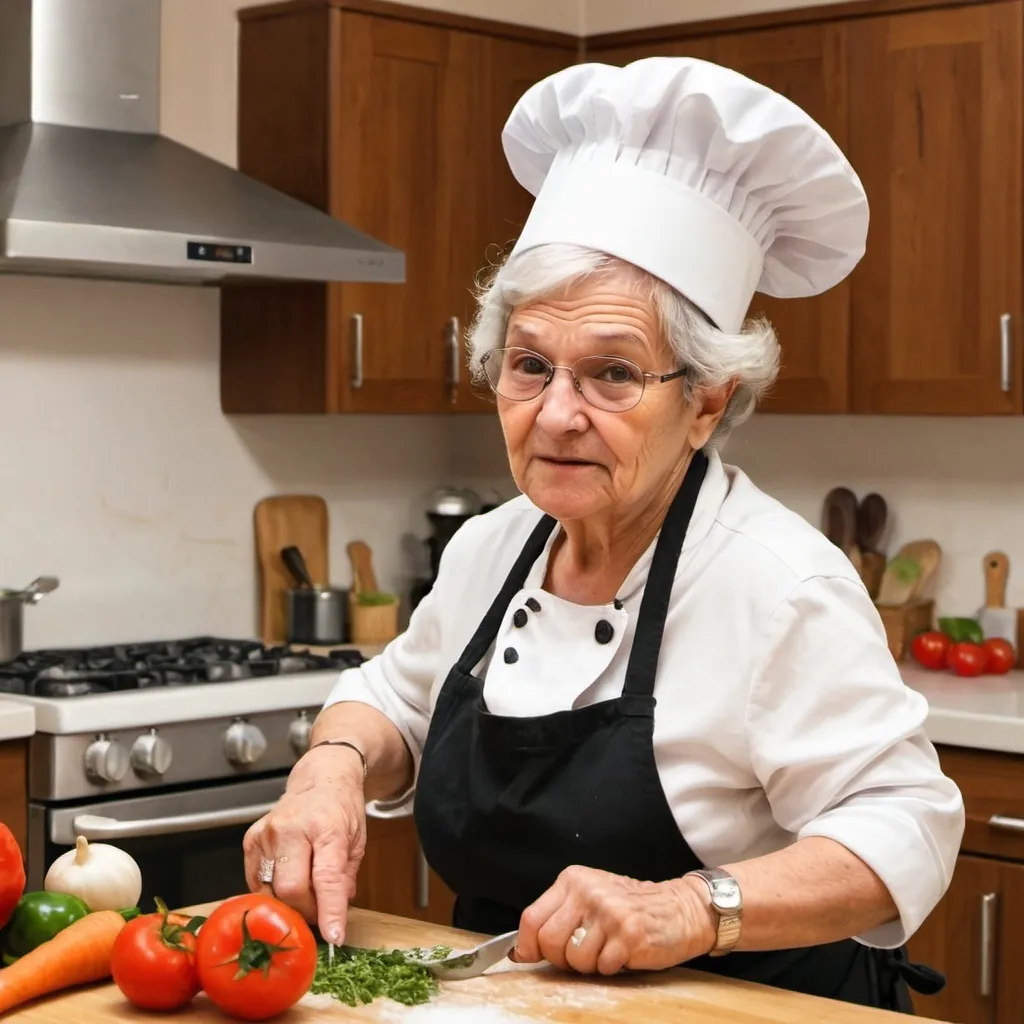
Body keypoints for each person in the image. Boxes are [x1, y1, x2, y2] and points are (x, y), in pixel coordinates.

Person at [242, 56, 964, 1011]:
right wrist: (330, 772)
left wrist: (694, 908)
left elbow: (905, 825)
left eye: (613, 374)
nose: (555, 415)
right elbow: (393, 699)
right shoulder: (492, 547)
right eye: (530, 364)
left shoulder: (780, 584)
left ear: (706, 402)